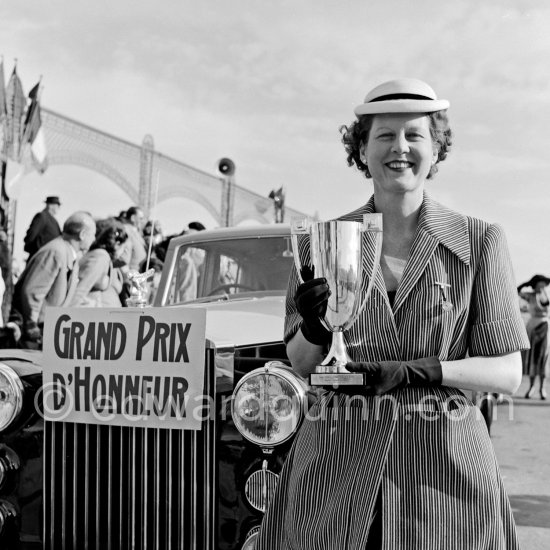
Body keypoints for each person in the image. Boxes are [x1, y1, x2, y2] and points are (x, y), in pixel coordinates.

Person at [256, 78, 528, 549]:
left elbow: (508, 373)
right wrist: (318, 325)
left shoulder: (481, 242)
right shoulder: (318, 242)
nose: (398, 148)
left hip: (445, 473)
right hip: (338, 464)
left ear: (437, 147)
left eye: (414, 135)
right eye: (384, 135)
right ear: (361, 149)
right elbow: (301, 362)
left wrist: (417, 372)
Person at [9, 211, 96, 349]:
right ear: (83, 234)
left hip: (45, 330)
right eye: (93, 234)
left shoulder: (65, 252)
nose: (94, 239)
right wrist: (32, 329)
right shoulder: (56, 251)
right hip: (33, 334)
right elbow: (33, 292)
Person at [70, 221, 128, 308]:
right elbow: (81, 288)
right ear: (117, 244)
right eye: (124, 247)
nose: (124, 251)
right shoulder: (101, 256)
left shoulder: (103, 256)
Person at [518, 274, 550, 399]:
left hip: (544, 326)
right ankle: (531, 387)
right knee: (532, 358)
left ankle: (542, 388)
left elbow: (546, 303)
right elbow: (517, 290)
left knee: (543, 358)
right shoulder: (530, 296)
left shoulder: (546, 295)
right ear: (537, 283)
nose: (544, 285)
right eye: (541, 283)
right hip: (532, 328)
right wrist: (527, 283)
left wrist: (541, 291)